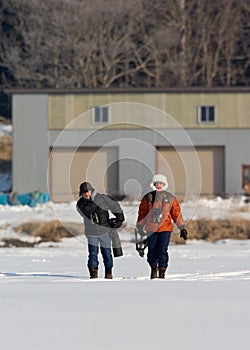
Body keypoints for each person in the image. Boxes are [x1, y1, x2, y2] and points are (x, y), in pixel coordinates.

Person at [136, 174, 188, 279]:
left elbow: (176, 213)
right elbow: (142, 213)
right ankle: (153, 268)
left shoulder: (170, 198)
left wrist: (182, 227)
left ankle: (162, 272)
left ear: (164, 185)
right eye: (157, 183)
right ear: (154, 184)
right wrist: (140, 226)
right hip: (151, 228)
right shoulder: (148, 198)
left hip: (165, 228)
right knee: (152, 250)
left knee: (162, 250)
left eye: (161, 183)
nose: (159, 185)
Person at [76, 181, 124, 279]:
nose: (87, 193)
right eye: (84, 192)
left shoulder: (102, 198)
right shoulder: (80, 204)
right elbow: (86, 211)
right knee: (93, 254)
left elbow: (114, 206)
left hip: (105, 231)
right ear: (81, 193)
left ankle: (108, 272)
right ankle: (93, 274)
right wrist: (96, 203)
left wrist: (120, 219)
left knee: (107, 253)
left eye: (88, 191)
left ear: (91, 190)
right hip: (91, 233)